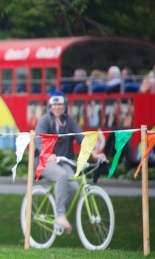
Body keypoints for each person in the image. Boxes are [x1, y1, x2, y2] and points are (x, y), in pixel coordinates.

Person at [35, 93, 105, 234]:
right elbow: (38, 140)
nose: (57, 107)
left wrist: (94, 155)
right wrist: (48, 154)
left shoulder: (69, 121)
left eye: (60, 104)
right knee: (61, 176)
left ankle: (59, 209)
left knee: (74, 187)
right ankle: (60, 215)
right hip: (44, 161)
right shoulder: (44, 121)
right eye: (54, 105)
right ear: (50, 107)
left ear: (64, 106)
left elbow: (81, 138)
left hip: (64, 161)